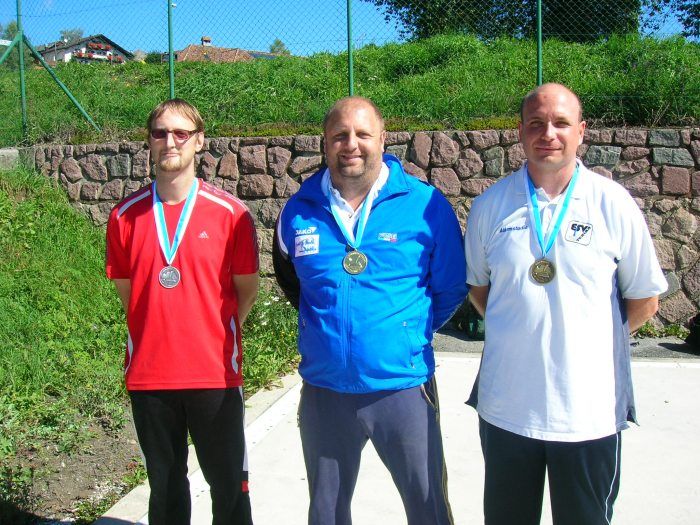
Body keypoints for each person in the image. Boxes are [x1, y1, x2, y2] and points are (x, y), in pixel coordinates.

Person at [464, 83, 668, 525]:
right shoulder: (490, 206)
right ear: (520, 131)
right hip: (507, 409)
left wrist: (585, 339)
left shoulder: (612, 203)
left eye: (560, 123)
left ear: (581, 131)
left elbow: (645, 300)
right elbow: (480, 292)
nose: (548, 133)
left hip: (588, 412)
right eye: (536, 123)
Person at [273, 96, 467, 525]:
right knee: (326, 513)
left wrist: (402, 334)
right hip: (325, 391)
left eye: (363, 134)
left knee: (428, 507)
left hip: (402, 388)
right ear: (324, 142)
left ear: (383, 138)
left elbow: (450, 288)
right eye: (339, 135)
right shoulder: (297, 210)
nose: (351, 144)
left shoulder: (425, 205)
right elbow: (294, 283)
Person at [106, 98, 258, 525]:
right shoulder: (124, 217)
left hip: (214, 374)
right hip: (150, 377)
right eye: (160, 133)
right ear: (149, 141)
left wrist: (209, 333)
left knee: (230, 490)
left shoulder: (232, 215)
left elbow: (246, 292)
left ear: (199, 141)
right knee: (166, 491)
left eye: (181, 133)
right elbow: (130, 296)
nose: (170, 141)